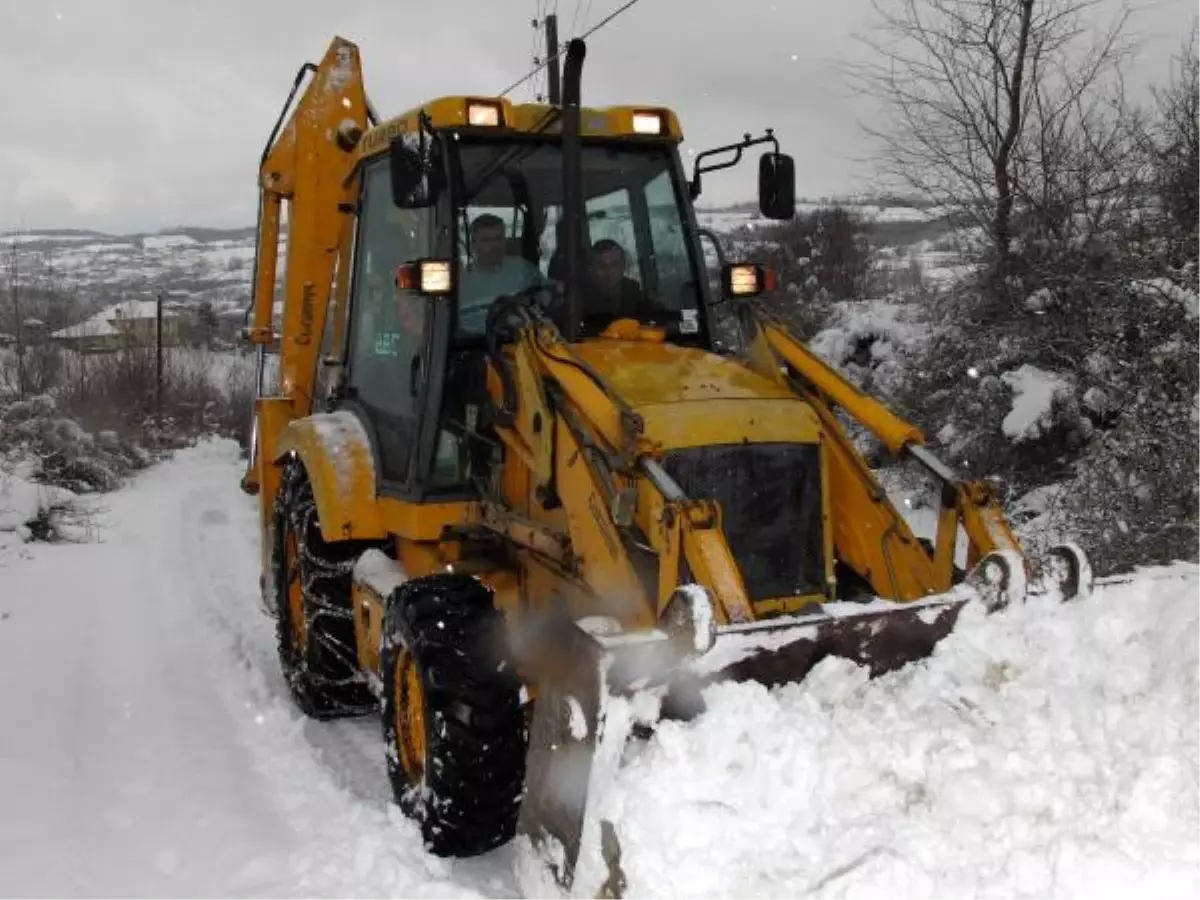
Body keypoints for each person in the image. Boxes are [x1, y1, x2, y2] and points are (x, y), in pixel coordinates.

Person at [457, 214, 546, 336]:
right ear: (473, 245)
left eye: (498, 238)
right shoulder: (462, 282)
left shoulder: (522, 268)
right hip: (477, 344)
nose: (494, 245)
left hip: (523, 341)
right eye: (486, 240)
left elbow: (546, 295)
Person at [584, 239, 647, 319]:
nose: (609, 272)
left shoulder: (638, 298)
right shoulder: (579, 303)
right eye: (601, 266)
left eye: (614, 264)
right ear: (591, 269)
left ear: (623, 266)